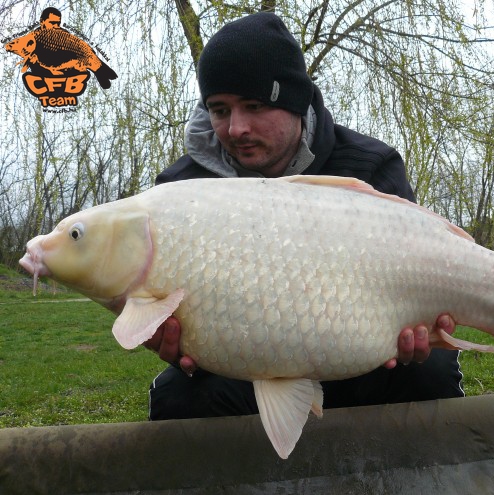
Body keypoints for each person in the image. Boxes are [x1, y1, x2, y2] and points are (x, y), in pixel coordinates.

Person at [146, 12, 464, 420]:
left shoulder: (369, 165)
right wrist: (166, 337)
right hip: (244, 368)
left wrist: (423, 329)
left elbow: (420, 289)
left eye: (254, 105)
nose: (236, 127)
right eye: (219, 109)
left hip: (365, 359)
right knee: (178, 396)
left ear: (295, 102)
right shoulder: (180, 190)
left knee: (430, 370)